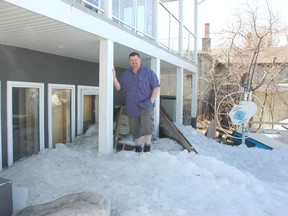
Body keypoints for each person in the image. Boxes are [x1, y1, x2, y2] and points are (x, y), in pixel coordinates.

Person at [113, 52, 160, 152]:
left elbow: (156, 87)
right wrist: (114, 77)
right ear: (130, 61)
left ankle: (147, 147)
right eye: (132, 60)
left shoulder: (148, 72)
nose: (134, 62)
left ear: (140, 60)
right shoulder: (126, 74)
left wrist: (151, 101)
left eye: (136, 60)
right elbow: (118, 87)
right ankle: (138, 148)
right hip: (132, 106)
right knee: (134, 128)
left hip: (146, 104)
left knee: (147, 126)